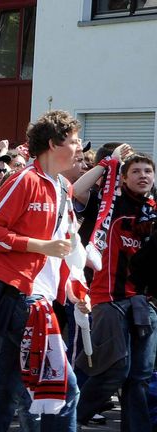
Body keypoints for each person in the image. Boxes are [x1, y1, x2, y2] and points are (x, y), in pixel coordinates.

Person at [0, 110, 87, 431]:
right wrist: (39, 246)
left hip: (40, 300)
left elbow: (68, 249)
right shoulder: (24, 180)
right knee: (63, 387)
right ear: (52, 143)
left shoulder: (64, 187)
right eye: (74, 142)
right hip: (21, 299)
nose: (80, 149)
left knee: (5, 389)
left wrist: (77, 291)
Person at [73, 145, 157, 431]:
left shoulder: (153, 209)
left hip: (144, 303)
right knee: (115, 370)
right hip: (109, 299)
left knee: (140, 377)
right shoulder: (110, 202)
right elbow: (76, 190)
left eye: (148, 171)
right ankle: (69, 420)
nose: (143, 175)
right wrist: (109, 162)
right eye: (135, 171)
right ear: (123, 178)